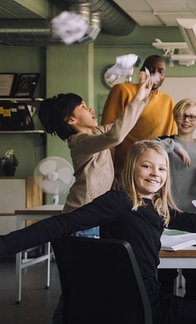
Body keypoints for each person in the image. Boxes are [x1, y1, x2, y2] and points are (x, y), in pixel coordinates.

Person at [0, 140, 196, 324]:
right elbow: (62, 224)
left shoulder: (156, 207)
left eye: (161, 169)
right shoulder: (120, 200)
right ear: (132, 168)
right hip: (143, 305)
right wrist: (5, 245)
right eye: (146, 166)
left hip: (143, 300)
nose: (155, 174)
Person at [38, 69, 153, 324]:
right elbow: (117, 135)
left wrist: (142, 94)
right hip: (82, 223)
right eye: (83, 106)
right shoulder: (80, 141)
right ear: (70, 119)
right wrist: (136, 98)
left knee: (86, 288)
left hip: (93, 220)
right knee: (79, 289)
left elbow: (122, 124)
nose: (90, 109)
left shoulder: (95, 135)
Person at [154, 98, 196, 300]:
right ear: (176, 117)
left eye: (192, 116)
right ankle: (167, 312)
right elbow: (146, 145)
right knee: (165, 274)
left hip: (194, 213)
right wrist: (176, 148)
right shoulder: (163, 143)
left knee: (194, 276)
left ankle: (190, 312)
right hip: (167, 212)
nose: (187, 120)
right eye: (183, 115)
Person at [101, 54, 177, 177]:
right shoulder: (122, 90)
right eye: (151, 69)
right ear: (142, 71)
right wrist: (108, 171)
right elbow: (107, 131)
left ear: (165, 75)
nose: (155, 74)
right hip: (123, 170)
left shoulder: (168, 101)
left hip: (154, 173)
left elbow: (171, 141)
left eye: (160, 71)